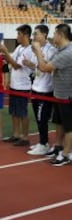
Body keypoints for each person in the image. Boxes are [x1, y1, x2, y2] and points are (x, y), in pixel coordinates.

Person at [32, 23, 72, 166]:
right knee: (59, 123)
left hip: (67, 96)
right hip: (59, 94)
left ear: (60, 35)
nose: (52, 36)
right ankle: (58, 147)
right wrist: (41, 56)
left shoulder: (67, 53)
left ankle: (66, 155)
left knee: (69, 127)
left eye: (54, 33)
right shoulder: (60, 50)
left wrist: (37, 52)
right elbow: (49, 64)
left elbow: (44, 68)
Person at [0, 24, 35, 146]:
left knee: (22, 113)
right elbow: (10, 61)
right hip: (15, 85)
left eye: (19, 34)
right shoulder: (19, 47)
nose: (17, 37)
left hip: (23, 87)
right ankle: (16, 134)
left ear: (26, 35)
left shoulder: (30, 50)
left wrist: (5, 53)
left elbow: (16, 65)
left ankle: (25, 137)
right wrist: (4, 56)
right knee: (14, 112)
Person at [27, 25, 57, 155]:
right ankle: (42, 142)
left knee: (42, 118)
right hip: (36, 87)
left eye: (36, 34)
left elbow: (47, 67)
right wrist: (31, 65)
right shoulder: (35, 49)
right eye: (33, 34)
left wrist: (39, 54)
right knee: (38, 118)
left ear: (44, 34)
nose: (34, 36)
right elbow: (38, 67)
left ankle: (44, 144)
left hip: (46, 89)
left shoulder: (52, 50)